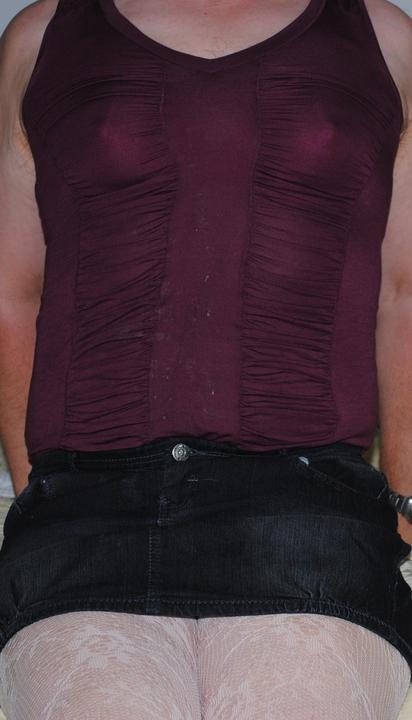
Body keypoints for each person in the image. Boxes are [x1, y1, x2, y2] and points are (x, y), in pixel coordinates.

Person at [0, 0, 412, 717]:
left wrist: (404, 505)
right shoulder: (40, 36)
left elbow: (405, 295)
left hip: (312, 508)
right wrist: (38, 486)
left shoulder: (385, 38)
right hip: (84, 514)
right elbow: (12, 291)